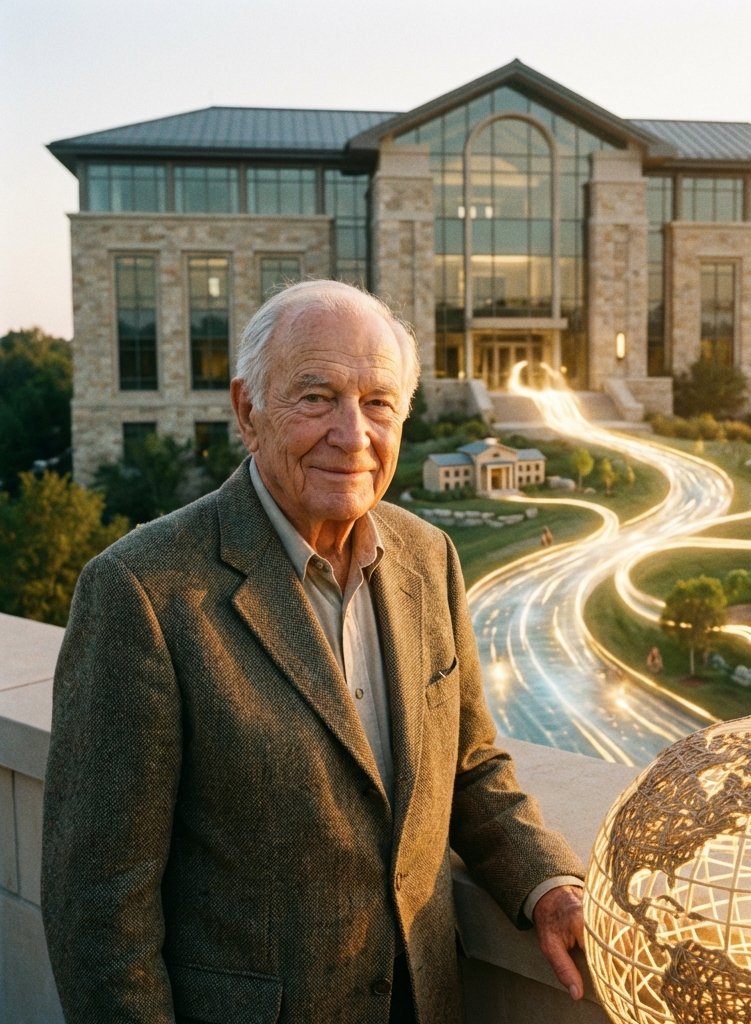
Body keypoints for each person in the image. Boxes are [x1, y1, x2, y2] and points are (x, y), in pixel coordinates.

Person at [42, 280, 586, 1023]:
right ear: (248, 412)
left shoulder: (430, 558)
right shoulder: (143, 592)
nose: (352, 434)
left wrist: (548, 885)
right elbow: (101, 912)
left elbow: (468, 766)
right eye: (317, 397)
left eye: (378, 403)